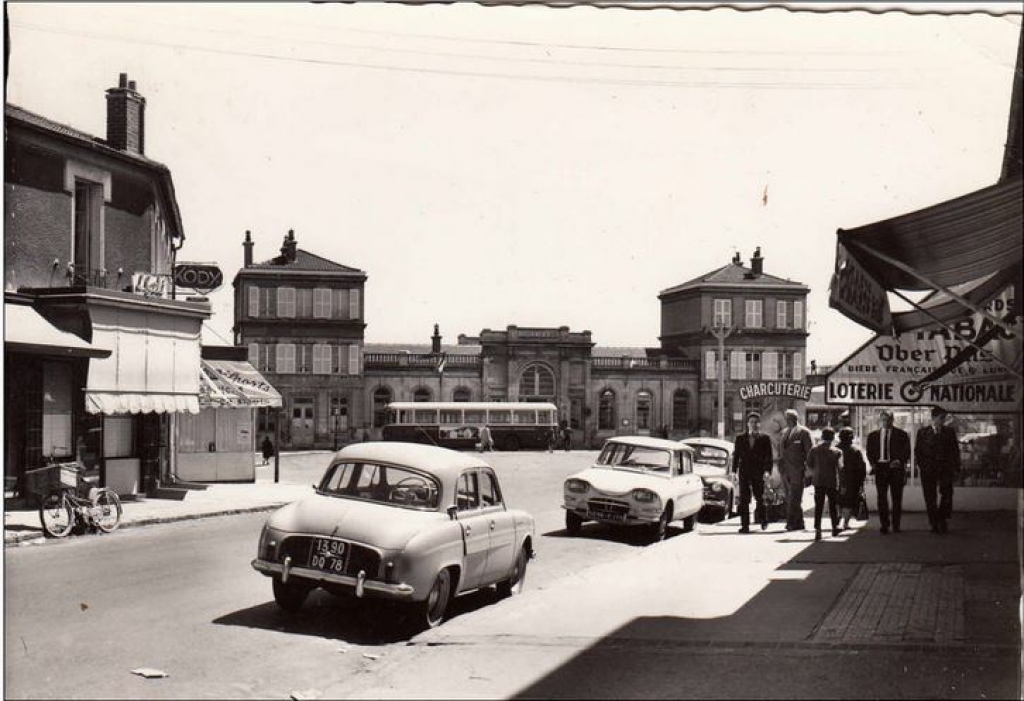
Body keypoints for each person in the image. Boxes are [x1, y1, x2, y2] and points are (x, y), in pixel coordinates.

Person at [915, 406, 960, 534]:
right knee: (930, 497)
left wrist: (955, 467)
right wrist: (922, 467)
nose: (943, 421)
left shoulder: (949, 432)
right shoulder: (923, 432)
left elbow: (955, 451)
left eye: (944, 418)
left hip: (945, 469)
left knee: (947, 495)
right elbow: (918, 451)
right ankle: (934, 523)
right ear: (933, 418)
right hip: (928, 470)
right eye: (941, 418)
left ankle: (941, 518)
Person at [866, 409, 911, 534]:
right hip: (881, 468)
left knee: (897, 498)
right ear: (880, 420)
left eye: (888, 419)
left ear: (893, 420)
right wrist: (874, 464)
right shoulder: (873, 435)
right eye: (883, 420)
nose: (886, 422)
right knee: (881, 498)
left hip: (895, 469)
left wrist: (899, 461)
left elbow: (907, 451)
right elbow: (869, 452)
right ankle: (884, 525)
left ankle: (896, 525)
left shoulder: (902, 434)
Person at [732, 412, 773, 534]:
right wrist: (734, 471)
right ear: (748, 424)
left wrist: (767, 471)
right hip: (744, 472)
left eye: (756, 422)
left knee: (760, 497)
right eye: (752, 422)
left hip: (759, 471)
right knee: (744, 500)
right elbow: (736, 456)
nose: (754, 424)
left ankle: (763, 518)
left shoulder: (765, 438)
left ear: (760, 424)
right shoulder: (740, 438)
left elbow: (768, 456)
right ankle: (745, 526)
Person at [779, 408, 813, 532]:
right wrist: (781, 467)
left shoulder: (804, 432)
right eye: (786, 418)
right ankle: (799, 523)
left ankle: (791, 523)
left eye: (789, 418)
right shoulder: (784, 433)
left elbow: (810, 452)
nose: (787, 421)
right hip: (785, 470)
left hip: (799, 470)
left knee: (795, 497)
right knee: (790, 497)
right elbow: (781, 451)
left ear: (795, 419)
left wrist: (808, 470)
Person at [807, 427, 843, 540]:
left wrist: (815, 472)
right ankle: (834, 527)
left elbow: (809, 464)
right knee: (833, 505)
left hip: (818, 481)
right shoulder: (837, 452)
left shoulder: (814, 450)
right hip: (832, 481)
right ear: (833, 438)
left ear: (822, 437)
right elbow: (840, 467)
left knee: (819, 506)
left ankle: (818, 529)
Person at [836, 427, 867, 530]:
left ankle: (837, 520)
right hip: (852, 481)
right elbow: (862, 467)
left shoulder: (835, 449)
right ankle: (845, 523)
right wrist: (861, 482)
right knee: (849, 502)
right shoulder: (856, 450)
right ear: (851, 437)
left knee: (838, 501)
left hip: (837, 480)